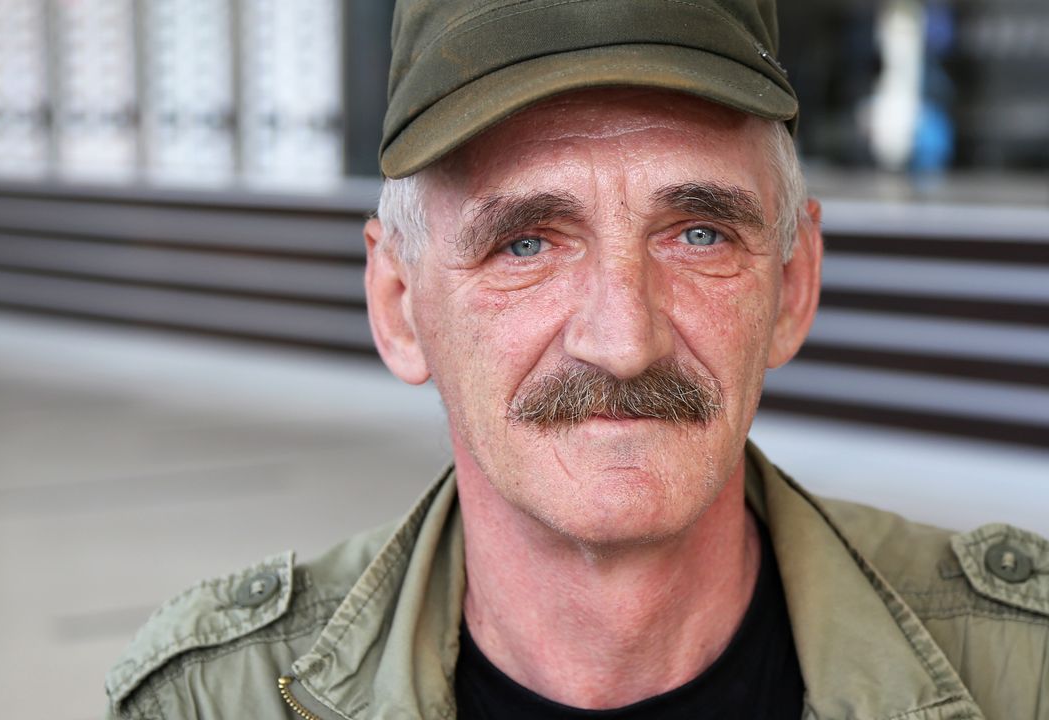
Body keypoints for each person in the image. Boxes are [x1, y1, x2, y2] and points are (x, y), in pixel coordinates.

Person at [104, 1, 1049, 718]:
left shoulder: (1025, 671)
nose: (623, 338)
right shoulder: (213, 699)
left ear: (792, 287)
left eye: (698, 233)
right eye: (526, 243)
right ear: (399, 305)